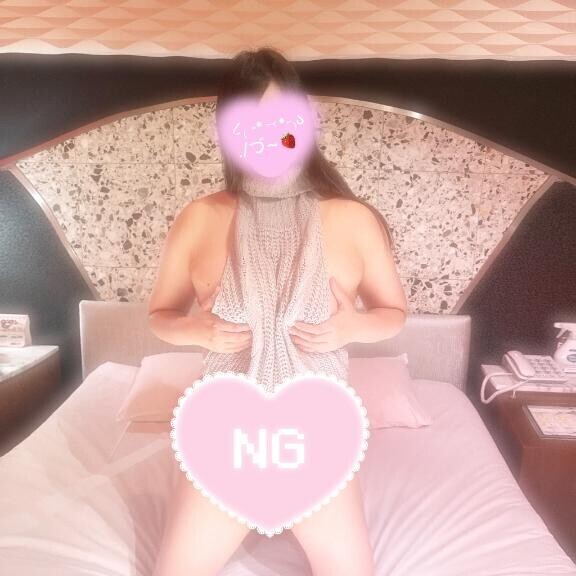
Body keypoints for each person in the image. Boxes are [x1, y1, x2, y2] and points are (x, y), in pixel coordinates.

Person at [148, 47, 407, 576]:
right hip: (226, 431)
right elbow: (160, 316)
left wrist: (355, 325)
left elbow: (393, 311)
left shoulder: (352, 219)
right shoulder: (198, 218)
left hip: (316, 429)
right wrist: (195, 329)